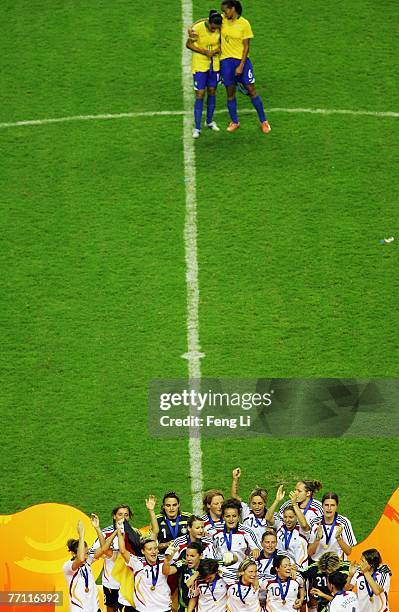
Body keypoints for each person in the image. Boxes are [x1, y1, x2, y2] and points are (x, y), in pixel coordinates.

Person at [219, 0, 271, 133]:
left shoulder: (244, 24)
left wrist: (241, 66)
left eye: (225, 10)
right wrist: (192, 28)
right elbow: (205, 21)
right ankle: (235, 121)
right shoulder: (222, 19)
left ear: (233, 9)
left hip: (241, 61)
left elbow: (246, 46)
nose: (224, 13)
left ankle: (264, 121)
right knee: (230, 93)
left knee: (251, 90)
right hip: (226, 62)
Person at [89, 504, 141, 612]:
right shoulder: (105, 533)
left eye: (126, 515)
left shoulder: (135, 533)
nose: (123, 518)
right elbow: (94, 555)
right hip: (112, 583)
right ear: (114, 516)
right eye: (120, 514)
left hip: (129, 582)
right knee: (111, 609)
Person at [63, 516, 117, 612]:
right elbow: (80, 559)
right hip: (79, 609)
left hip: (95, 608)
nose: (87, 556)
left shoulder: (88, 561)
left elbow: (104, 548)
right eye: (84, 553)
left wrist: (100, 529)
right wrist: (81, 535)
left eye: (87, 553)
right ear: (74, 554)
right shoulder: (68, 567)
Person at [186, 10, 222, 139]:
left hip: (215, 64)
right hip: (200, 64)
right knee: (200, 93)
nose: (214, 30)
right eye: (213, 27)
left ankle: (209, 121)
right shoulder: (197, 28)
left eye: (216, 28)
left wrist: (217, 50)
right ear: (209, 22)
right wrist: (204, 51)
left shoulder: (221, 27)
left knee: (212, 90)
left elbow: (225, 43)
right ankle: (197, 127)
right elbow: (189, 44)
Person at [118, 530, 172, 612]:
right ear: (143, 551)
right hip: (144, 609)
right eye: (150, 549)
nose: (153, 552)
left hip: (164, 607)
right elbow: (123, 551)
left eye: (155, 548)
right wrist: (119, 532)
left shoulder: (165, 560)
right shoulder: (138, 563)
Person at [211, 498, 260, 583]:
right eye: (227, 516)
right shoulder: (214, 531)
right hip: (220, 575)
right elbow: (209, 553)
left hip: (240, 575)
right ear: (223, 517)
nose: (231, 519)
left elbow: (258, 551)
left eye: (234, 516)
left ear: (238, 516)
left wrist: (255, 551)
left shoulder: (247, 531)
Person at [231, 467, 277, 543]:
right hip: (248, 551)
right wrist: (235, 479)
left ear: (265, 503)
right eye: (254, 503)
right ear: (250, 503)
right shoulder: (246, 511)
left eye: (260, 503)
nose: (257, 507)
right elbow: (234, 497)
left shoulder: (271, 516)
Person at [308, 493, 356, 562]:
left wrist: (339, 538)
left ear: (337, 506)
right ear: (322, 506)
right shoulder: (315, 522)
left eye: (332, 505)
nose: (329, 508)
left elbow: (348, 552)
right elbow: (309, 552)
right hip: (317, 563)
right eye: (326, 505)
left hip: (336, 564)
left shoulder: (344, 522)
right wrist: (317, 539)